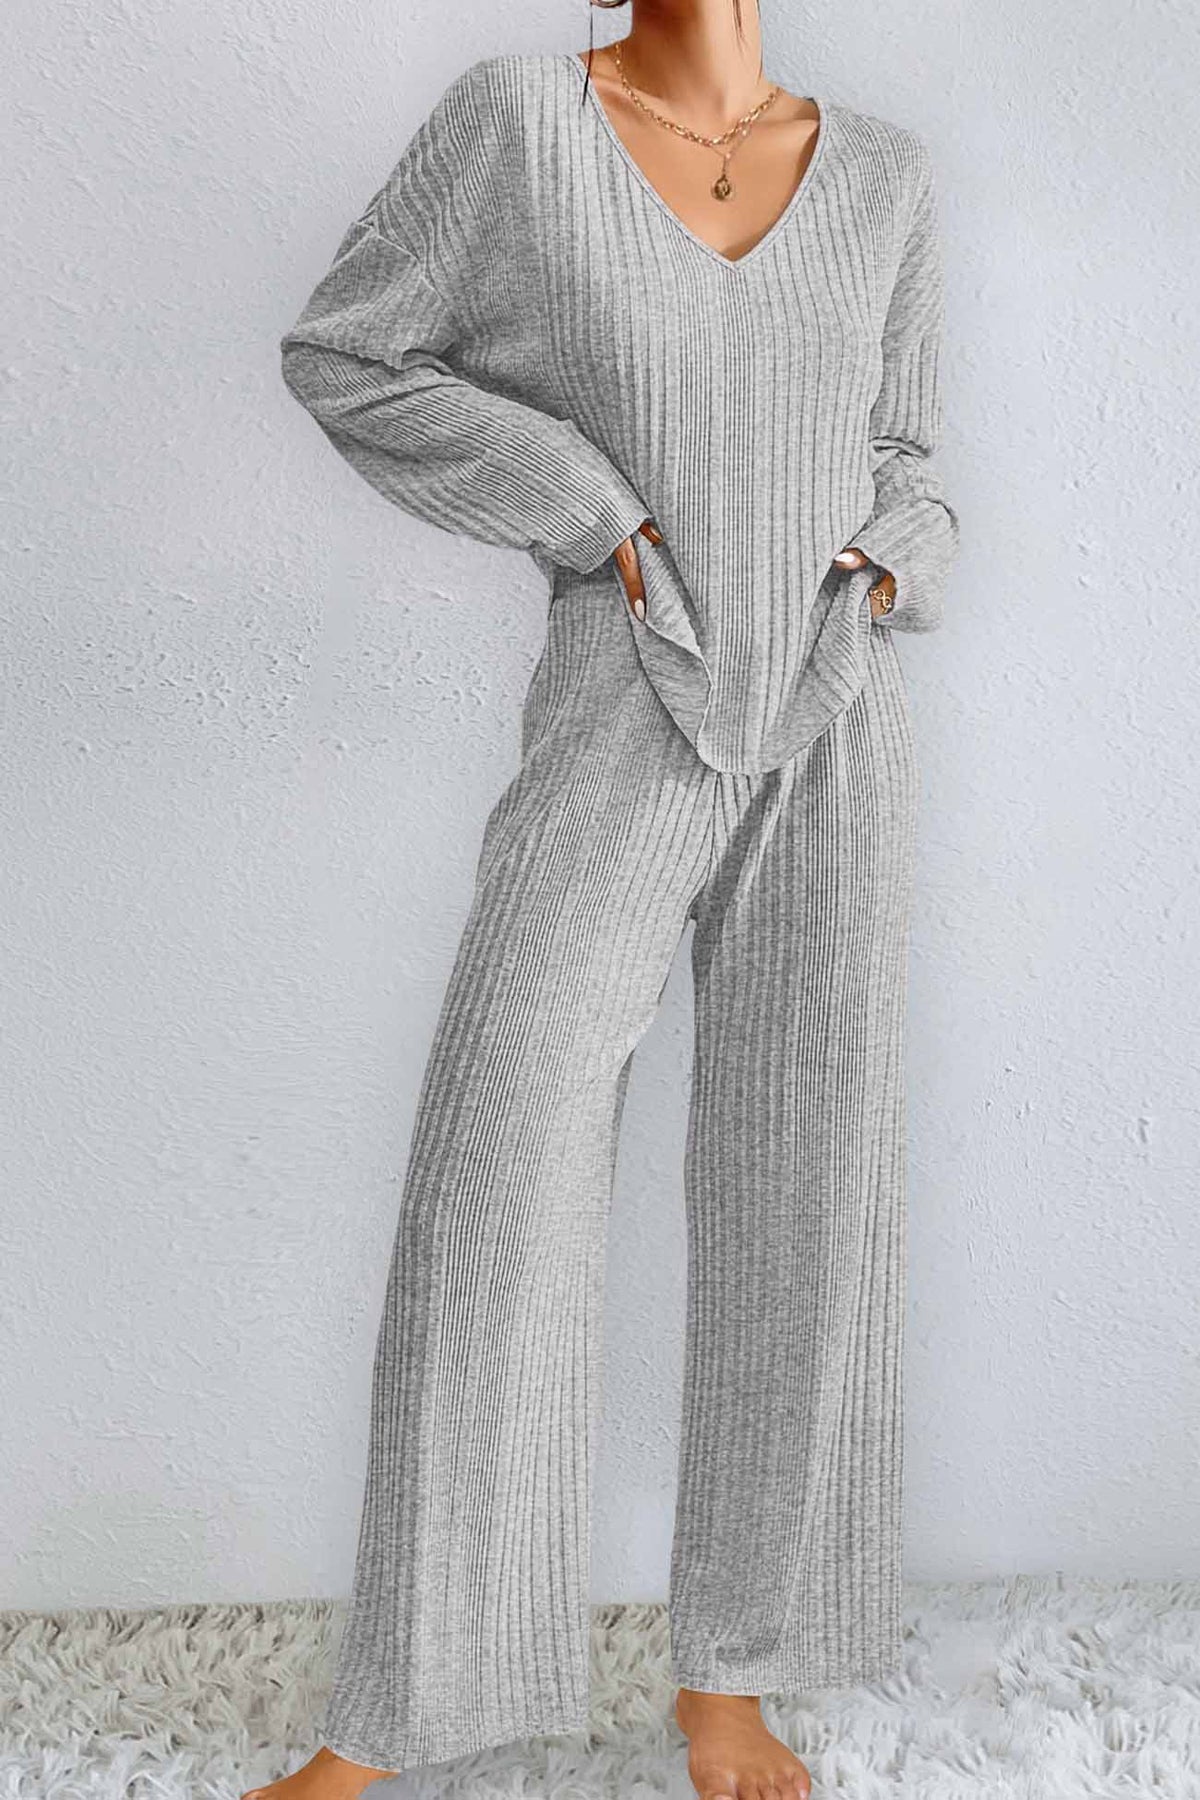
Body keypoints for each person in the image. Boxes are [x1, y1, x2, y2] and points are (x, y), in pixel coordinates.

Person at [249, 7, 958, 1797]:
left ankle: (737, 1679)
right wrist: (589, 510)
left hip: (836, 717)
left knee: (809, 1181)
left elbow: (912, 459)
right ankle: (406, 1707)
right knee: (501, 1167)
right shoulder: (519, 126)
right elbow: (349, 351)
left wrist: (883, 569)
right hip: (624, 697)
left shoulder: (884, 176)